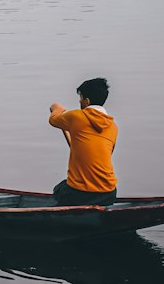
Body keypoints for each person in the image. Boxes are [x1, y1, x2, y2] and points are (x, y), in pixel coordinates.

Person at [48, 77, 118, 206]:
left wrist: (57, 108)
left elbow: (53, 120)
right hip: (109, 192)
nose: (79, 102)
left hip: (80, 193)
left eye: (80, 98)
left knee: (58, 190)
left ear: (86, 101)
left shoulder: (76, 117)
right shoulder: (113, 127)